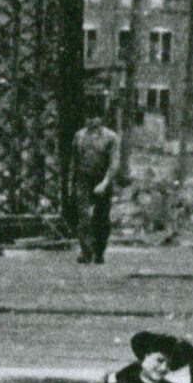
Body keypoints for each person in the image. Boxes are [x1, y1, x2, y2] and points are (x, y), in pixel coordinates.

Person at [71, 102, 122, 263]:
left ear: (100, 119)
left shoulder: (110, 137)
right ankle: (86, 252)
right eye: (88, 118)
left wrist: (105, 182)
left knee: (102, 218)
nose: (91, 121)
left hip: (102, 178)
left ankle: (99, 251)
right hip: (83, 179)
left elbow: (114, 162)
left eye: (94, 117)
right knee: (84, 216)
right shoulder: (79, 136)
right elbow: (75, 160)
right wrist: (72, 183)